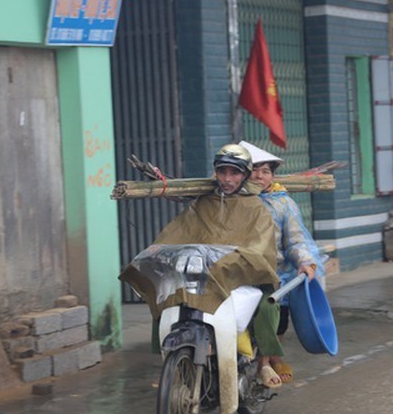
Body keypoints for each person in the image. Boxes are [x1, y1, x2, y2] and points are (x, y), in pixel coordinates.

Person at [120, 143, 285, 388]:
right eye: (222, 172)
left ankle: (264, 363)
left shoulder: (257, 208)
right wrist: (159, 252)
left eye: (234, 173)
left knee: (267, 304)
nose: (227, 179)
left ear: (244, 174)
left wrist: (230, 262)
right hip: (202, 275)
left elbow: (258, 248)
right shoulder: (202, 203)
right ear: (215, 172)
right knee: (165, 296)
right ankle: (168, 364)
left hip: (241, 276)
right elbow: (177, 233)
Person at [239, 140, 327, 384]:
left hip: (276, 272)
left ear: (272, 176)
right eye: (254, 169)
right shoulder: (234, 200)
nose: (259, 175)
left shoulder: (283, 203)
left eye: (265, 171)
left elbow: (296, 239)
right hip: (240, 269)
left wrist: (305, 261)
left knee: (277, 317)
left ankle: (266, 361)